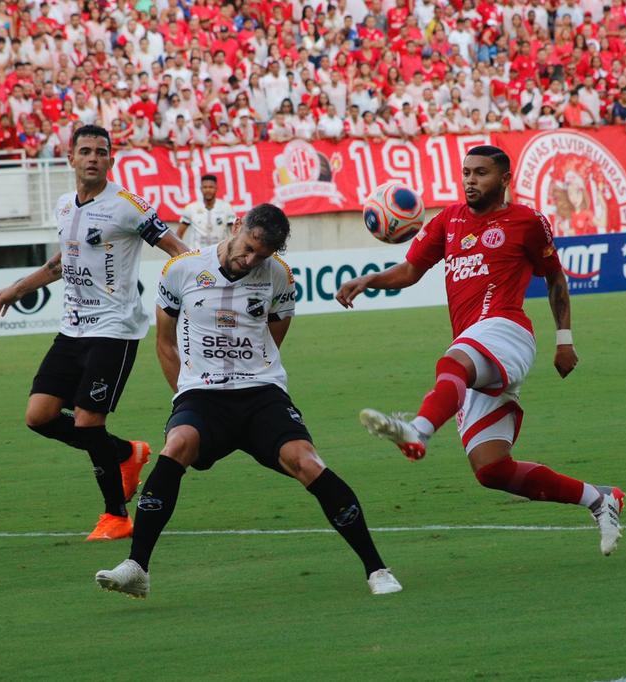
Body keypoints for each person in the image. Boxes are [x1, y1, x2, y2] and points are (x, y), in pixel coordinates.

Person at [94, 204, 402, 599]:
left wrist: (250, 374)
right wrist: (183, 397)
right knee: (178, 445)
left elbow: (274, 338)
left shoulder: (279, 276)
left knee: (306, 461)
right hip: (202, 394)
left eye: (263, 254)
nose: (252, 259)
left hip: (260, 392)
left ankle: (377, 569)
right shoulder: (182, 270)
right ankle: (137, 567)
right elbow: (165, 343)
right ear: (238, 226)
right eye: (250, 247)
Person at [335, 145, 625, 557]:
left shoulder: (526, 221)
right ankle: (599, 499)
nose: (470, 180)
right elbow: (410, 271)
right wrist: (369, 279)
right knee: (492, 470)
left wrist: (565, 340)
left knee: (453, 360)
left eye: (481, 173)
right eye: (467, 172)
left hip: (508, 331)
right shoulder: (448, 220)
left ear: (504, 179)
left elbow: (555, 279)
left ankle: (418, 429)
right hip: (476, 346)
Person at [0, 124, 189, 541]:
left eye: (101, 151)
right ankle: (126, 453)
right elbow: (62, 264)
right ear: (71, 158)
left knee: (86, 420)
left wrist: (201, 288)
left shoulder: (129, 206)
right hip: (72, 329)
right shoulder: (64, 206)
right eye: (86, 151)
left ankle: (116, 515)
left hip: (115, 329)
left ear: (110, 159)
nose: (93, 157)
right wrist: (16, 289)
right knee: (38, 417)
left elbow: (176, 250)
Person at [175, 174, 238, 250]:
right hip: (197, 254)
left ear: (216, 188)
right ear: (201, 189)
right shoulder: (191, 208)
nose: (208, 190)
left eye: (211, 187)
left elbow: (235, 232)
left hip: (219, 254)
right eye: (205, 187)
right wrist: (179, 253)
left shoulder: (226, 207)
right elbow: (179, 233)